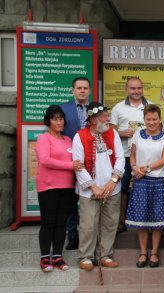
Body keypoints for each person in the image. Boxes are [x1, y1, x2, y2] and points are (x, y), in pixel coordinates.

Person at [73, 102, 125, 271]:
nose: (108, 119)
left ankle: (105, 255)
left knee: (110, 223)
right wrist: (93, 187)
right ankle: (86, 257)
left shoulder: (113, 133)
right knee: (88, 224)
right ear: (94, 119)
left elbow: (120, 157)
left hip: (112, 188)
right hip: (90, 191)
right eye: (104, 116)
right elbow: (78, 165)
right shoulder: (79, 136)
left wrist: (113, 181)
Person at [35, 105, 83, 272]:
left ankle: (57, 256)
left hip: (67, 187)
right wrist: (70, 165)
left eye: (61, 118)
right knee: (48, 222)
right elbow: (45, 160)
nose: (59, 122)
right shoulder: (43, 138)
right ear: (48, 121)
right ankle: (44, 258)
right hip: (48, 187)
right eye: (55, 118)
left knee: (62, 223)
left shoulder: (68, 140)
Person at [125, 105, 164, 268]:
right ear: (144, 120)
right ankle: (143, 252)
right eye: (148, 119)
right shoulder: (138, 134)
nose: (151, 122)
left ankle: (154, 253)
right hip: (140, 181)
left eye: (154, 119)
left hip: (157, 181)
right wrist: (135, 167)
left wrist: (146, 169)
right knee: (141, 219)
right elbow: (132, 156)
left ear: (160, 120)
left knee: (157, 220)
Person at [110, 77, 153, 234]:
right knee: (122, 189)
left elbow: (157, 128)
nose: (136, 91)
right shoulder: (118, 108)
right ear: (126, 89)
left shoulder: (151, 105)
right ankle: (121, 222)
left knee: (147, 188)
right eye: (133, 88)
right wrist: (121, 133)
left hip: (147, 157)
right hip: (125, 155)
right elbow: (109, 132)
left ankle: (148, 222)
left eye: (139, 88)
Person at [60, 76, 91, 250]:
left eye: (85, 88)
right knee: (70, 200)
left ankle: (90, 235)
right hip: (70, 162)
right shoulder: (63, 109)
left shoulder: (95, 108)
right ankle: (72, 235)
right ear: (73, 90)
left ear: (90, 90)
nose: (82, 91)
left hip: (93, 161)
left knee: (90, 199)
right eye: (79, 88)